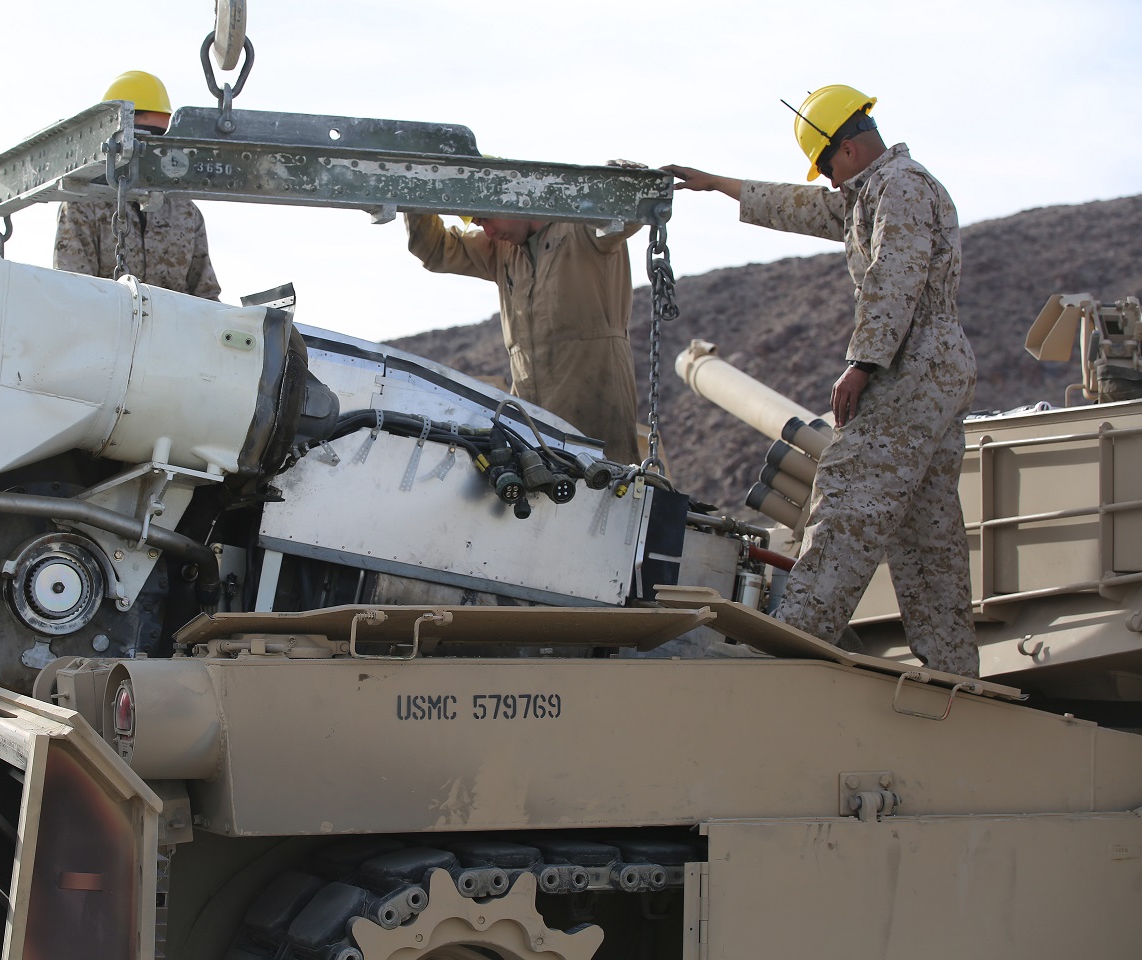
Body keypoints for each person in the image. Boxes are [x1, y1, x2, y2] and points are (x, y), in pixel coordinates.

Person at [663, 84, 979, 677]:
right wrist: (717, 183)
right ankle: (953, 672)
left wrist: (862, 363)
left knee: (847, 496)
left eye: (827, 163)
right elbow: (798, 206)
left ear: (851, 147)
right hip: (933, 371)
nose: (827, 179)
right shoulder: (872, 193)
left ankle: (793, 649)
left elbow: (896, 277)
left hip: (911, 370)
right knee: (925, 532)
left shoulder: (902, 188)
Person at [403, 210, 641, 463]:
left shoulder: (586, 230)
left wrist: (621, 173)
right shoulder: (503, 250)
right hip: (531, 429)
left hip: (596, 422)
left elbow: (629, 209)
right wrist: (414, 186)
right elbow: (434, 248)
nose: (488, 232)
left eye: (485, 219)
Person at [54, 71, 222, 300]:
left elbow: (206, 298)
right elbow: (70, 293)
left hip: (170, 335)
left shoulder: (186, 213)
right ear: (113, 139)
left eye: (161, 137)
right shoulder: (84, 206)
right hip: (104, 333)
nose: (150, 149)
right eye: (142, 136)